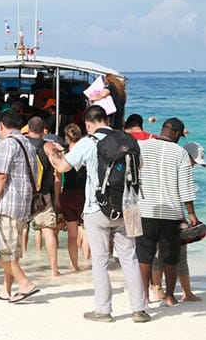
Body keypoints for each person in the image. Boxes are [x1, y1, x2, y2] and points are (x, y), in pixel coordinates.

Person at [47, 105, 149, 323]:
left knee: (100, 260)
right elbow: (139, 166)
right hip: (129, 206)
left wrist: (50, 151)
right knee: (130, 258)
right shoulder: (129, 140)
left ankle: (103, 310)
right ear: (107, 120)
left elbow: (62, 167)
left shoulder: (87, 142)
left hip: (97, 207)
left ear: (88, 124)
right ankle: (139, 309)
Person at [137, 117, 199, 307]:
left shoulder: (142, 146)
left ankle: (145, 297)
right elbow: (185, 186)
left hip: (145, 209)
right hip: (171, 212)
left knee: (144, 256)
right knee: (170, 256)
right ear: (179, 135)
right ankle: (170, 296)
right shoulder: (180, 153)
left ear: (162, 129)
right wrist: (191, 214)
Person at [0, 110, 41, 303]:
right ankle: (5, 289)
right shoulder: (28, 144)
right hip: (23, 205)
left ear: (1, 126)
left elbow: (0, 176)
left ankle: (25, 283)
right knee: (12, 251)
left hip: (8, 204)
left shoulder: (6, 145)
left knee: (2, 252)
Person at [151, 141, 206, 302]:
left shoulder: (168, 167)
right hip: (168, 216)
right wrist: (191, 215)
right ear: (185, 155)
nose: (193, 166)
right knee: (164, 255)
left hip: (168, 215)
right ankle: (161, 290)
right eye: (193, 162)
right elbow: (184, 196)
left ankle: (182, 292)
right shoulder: (178, 169)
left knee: (167, 255)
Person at [25, 116, 61, 276]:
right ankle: (54, 269)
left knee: (21, 230)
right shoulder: (47, 146)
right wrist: (61, 151)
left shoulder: (20, 144)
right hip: (43, 195)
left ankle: (22, 265)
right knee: (48, 231)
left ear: (28, 129)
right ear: (43, 130)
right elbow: (60, 166)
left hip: (23, 194)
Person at [59, 123, 89, 271]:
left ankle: (74, 265)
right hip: (84, 194)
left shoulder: (64, 154)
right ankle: (87, 261)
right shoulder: (85, 151)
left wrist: (57, 197)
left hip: (69, 194)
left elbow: (59, 177)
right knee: (88, 231)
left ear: (66, 137)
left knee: (72, 234)